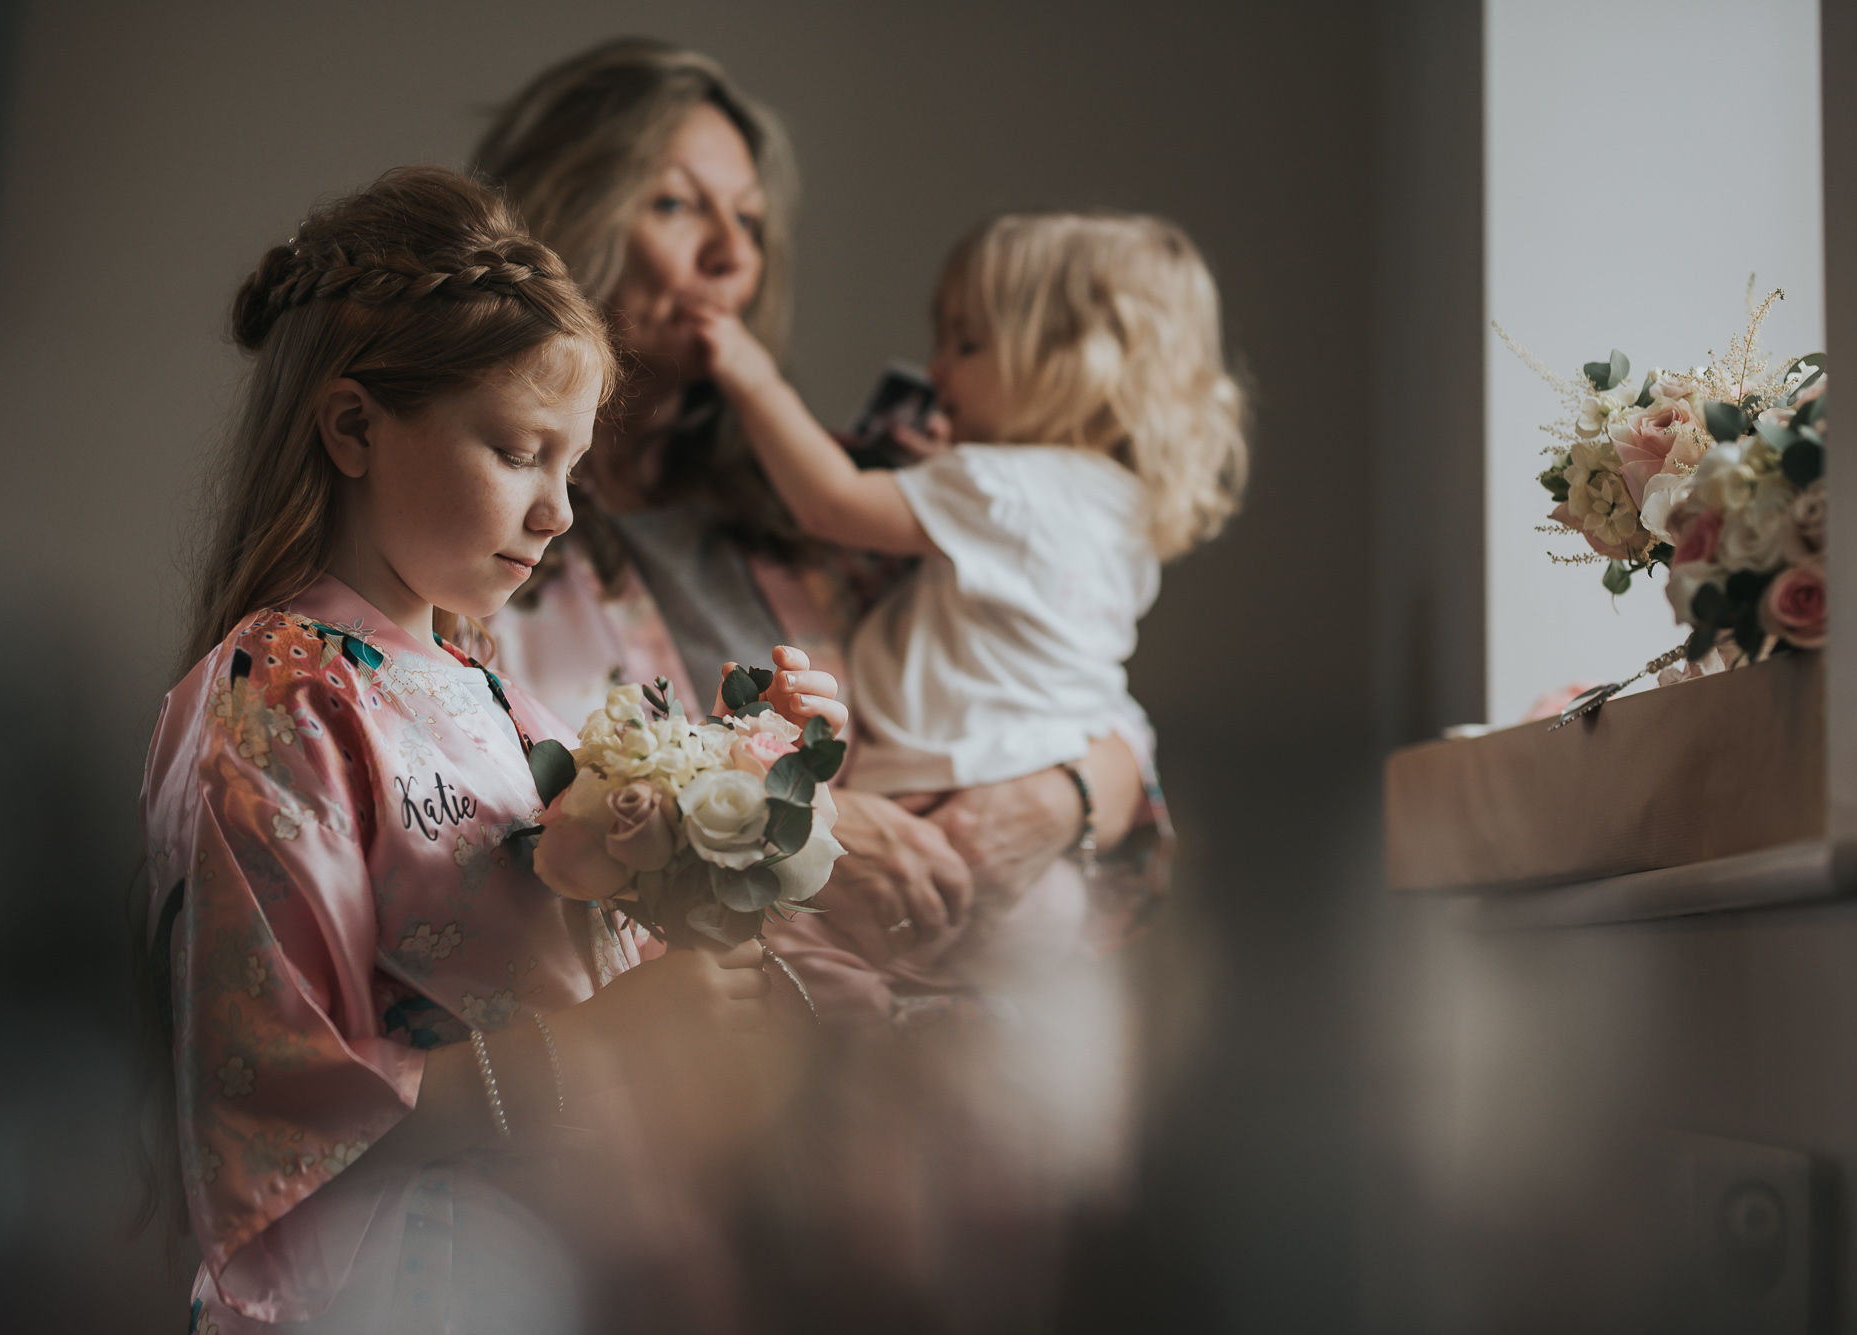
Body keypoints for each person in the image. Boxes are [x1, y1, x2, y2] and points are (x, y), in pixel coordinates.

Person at [140, 165, 844, 1333]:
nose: (559, 510)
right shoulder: (280, 699)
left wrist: (744, 787)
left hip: (549, 1270)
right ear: (355, 426)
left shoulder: (494, 698)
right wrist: (581, 1054)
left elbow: (588, 967)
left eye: (571, 465)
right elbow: (269, 1105)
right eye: (520, 452)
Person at [474, 40, 1166, 1014]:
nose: (733, 255)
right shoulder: (478, 550)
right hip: (689, 1089)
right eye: (675, 204)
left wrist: (1065, 797)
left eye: (750, 221)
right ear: (558, 223)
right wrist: (801, 827)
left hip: (963, 1048)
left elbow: (1082, 681)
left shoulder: (850, 508)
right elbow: (478, 829)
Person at [698, 210, 1248, 1011]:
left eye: (965, 342)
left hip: (932, 810)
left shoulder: (997, 485)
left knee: (797, 956)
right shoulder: (1120, 505)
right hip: (1048, 860)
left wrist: (754, 378)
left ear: (1065, 365)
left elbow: (830, 502)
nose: (936, 367)